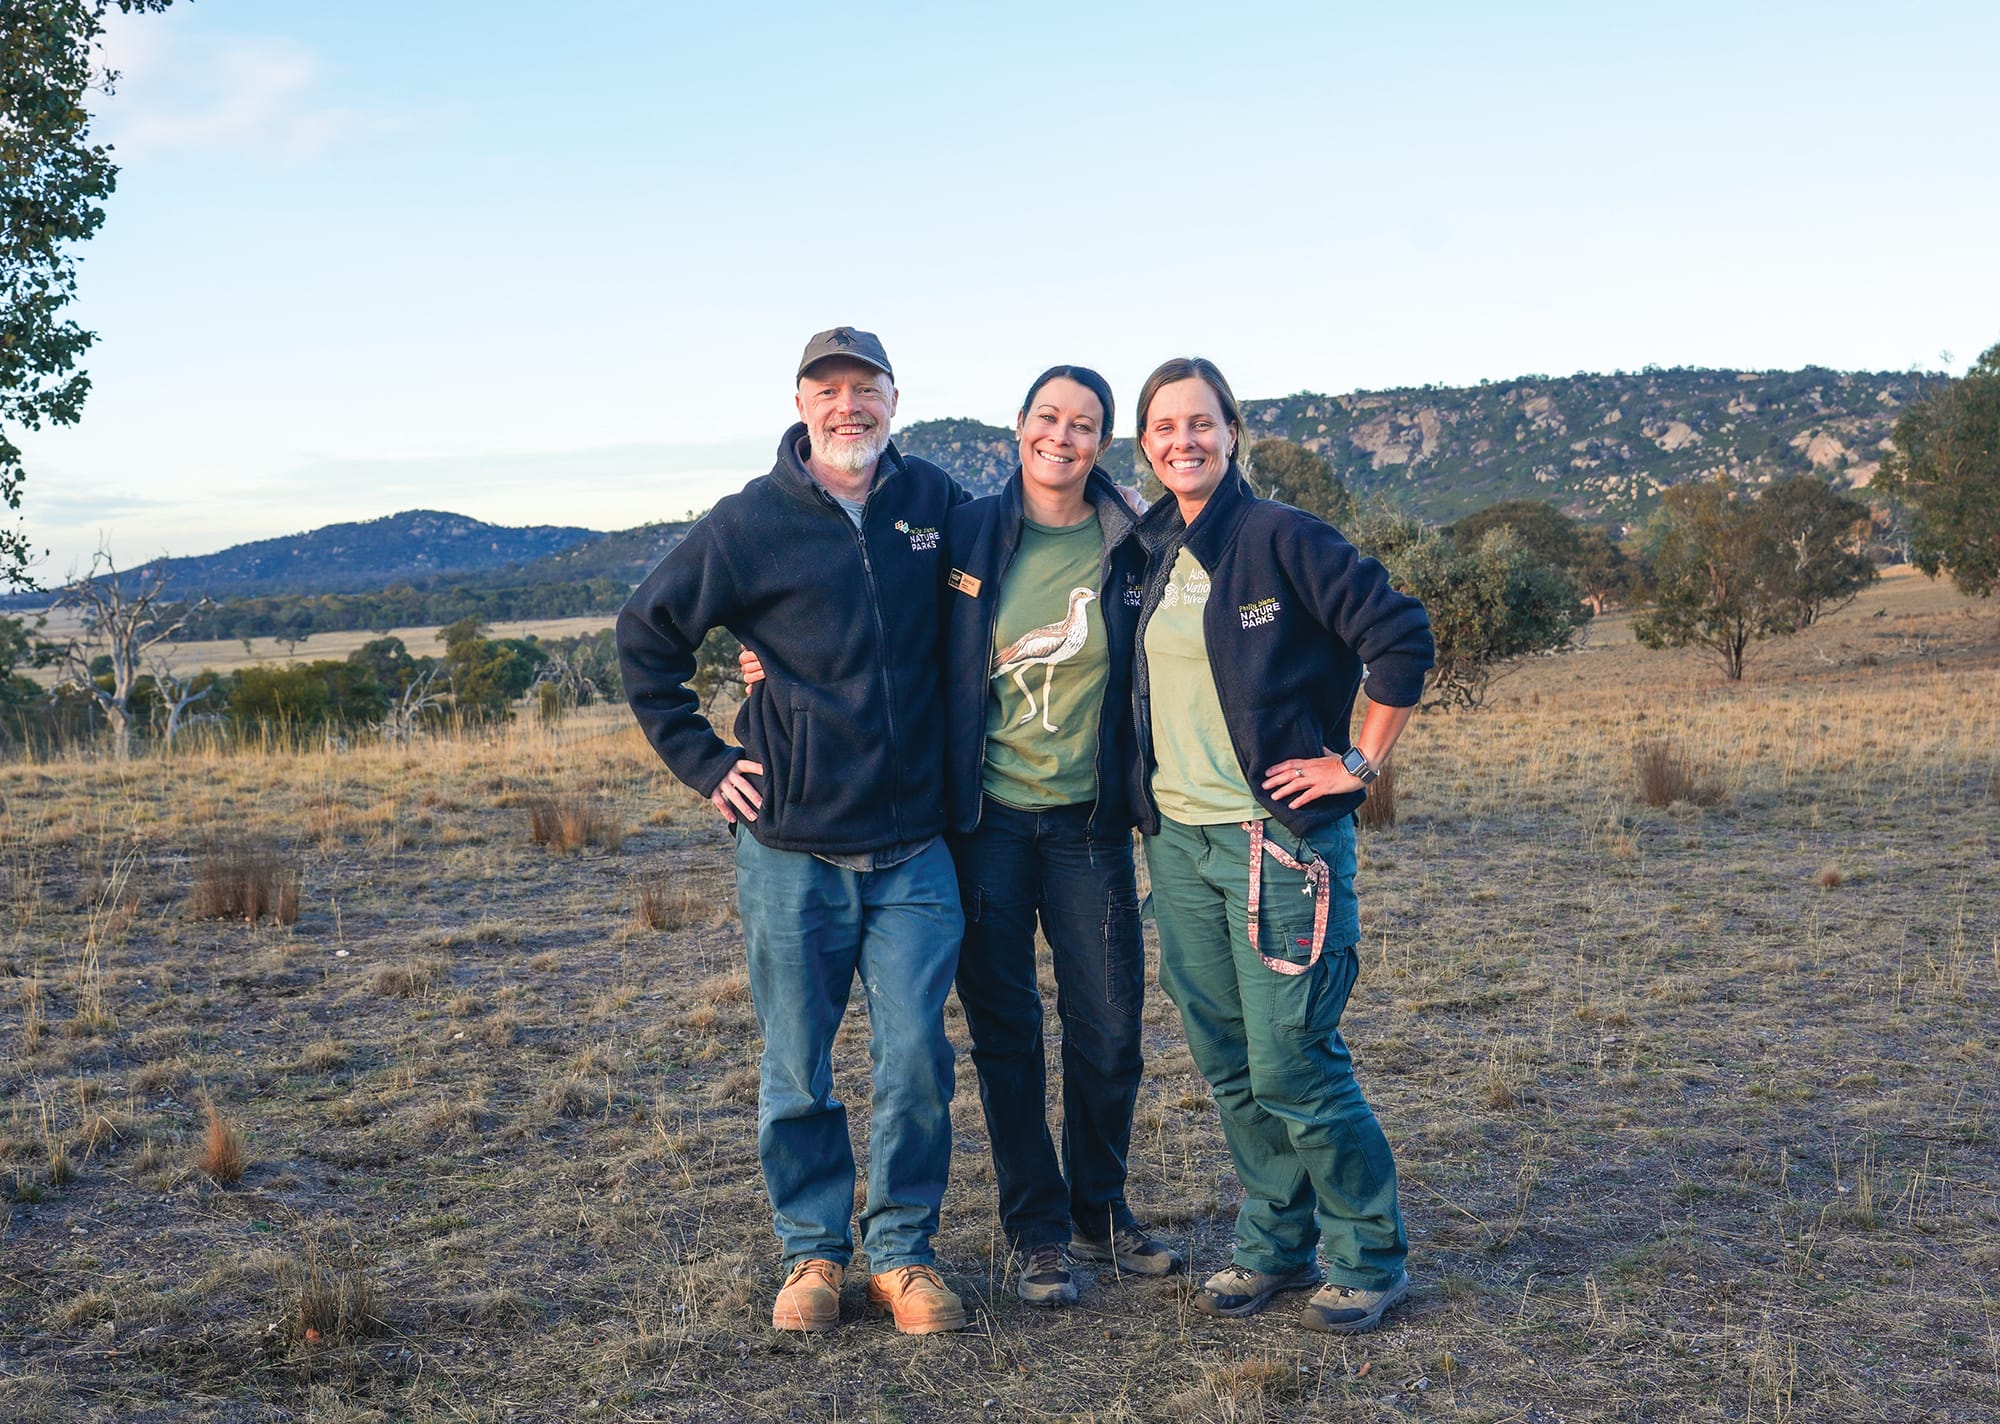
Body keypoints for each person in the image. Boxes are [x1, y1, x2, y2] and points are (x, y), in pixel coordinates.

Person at [617, 327, 971, 1337]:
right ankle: (811, 1252)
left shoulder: (935, 502)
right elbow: (645, 634)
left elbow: (1032, 543)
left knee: (916, 1060)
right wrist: (704, 760)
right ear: (801, 403)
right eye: (828, 389)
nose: (847, 405)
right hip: (789, 848)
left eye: (866, 387)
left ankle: (901, 1255)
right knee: (796, 1065)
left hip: (914, 844)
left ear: (895, 399)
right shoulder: (749, 522)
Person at [1126, 356, 1434, 1334]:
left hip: (1278, 844)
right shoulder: (1149, 549)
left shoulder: (1280, 536)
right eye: (1164, 426)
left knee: (1294, 1059)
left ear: (1232, 432)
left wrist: (1358, 761)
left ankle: (1368, 1254)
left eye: (1200, 422)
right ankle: (1273, 1241)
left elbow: (1400, 636)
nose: (1183, 440)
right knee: (1228, 1059)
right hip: (1179, 843)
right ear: (1145, 445)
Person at [938, 366, 1182, 1304]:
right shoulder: (964, 532)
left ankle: (1100, 1211)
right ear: (1019, 426)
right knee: (1008, 1034)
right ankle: (1037, 1229)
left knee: (1110, 1029)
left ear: (1103, 443)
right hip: (988, 824)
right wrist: (771, 658)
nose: (1062, 436)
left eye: (1084, 425)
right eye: (1048, 417)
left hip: (1089, 826)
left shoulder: (1136, 541)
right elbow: (876, 615)